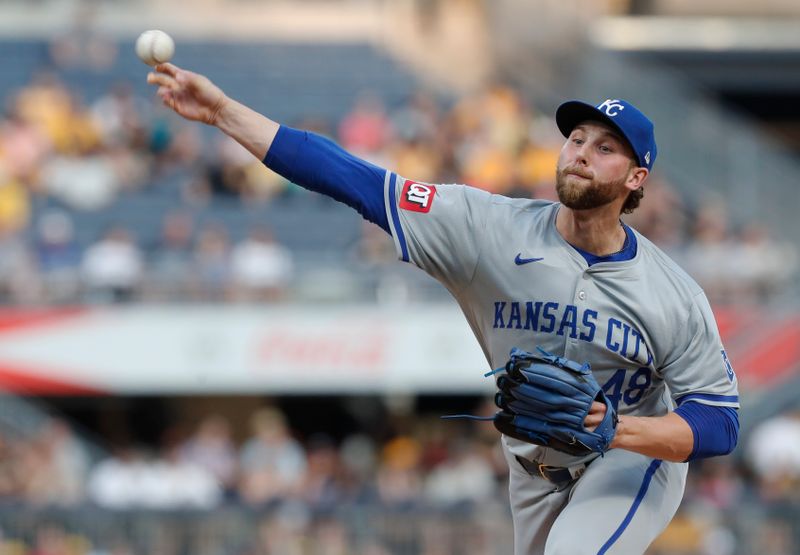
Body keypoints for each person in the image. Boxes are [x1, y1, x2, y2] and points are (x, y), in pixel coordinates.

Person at [147, 64, 740, 554]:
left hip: (631, 457)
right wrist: (224, 111)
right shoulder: (486, 227)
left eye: (606, 148)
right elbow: (353, 179)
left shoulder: (673, 293)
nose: (581, 153)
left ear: (636, 179)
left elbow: (720, 420)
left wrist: (618, 427)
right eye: (576, 139)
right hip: (531, 464)